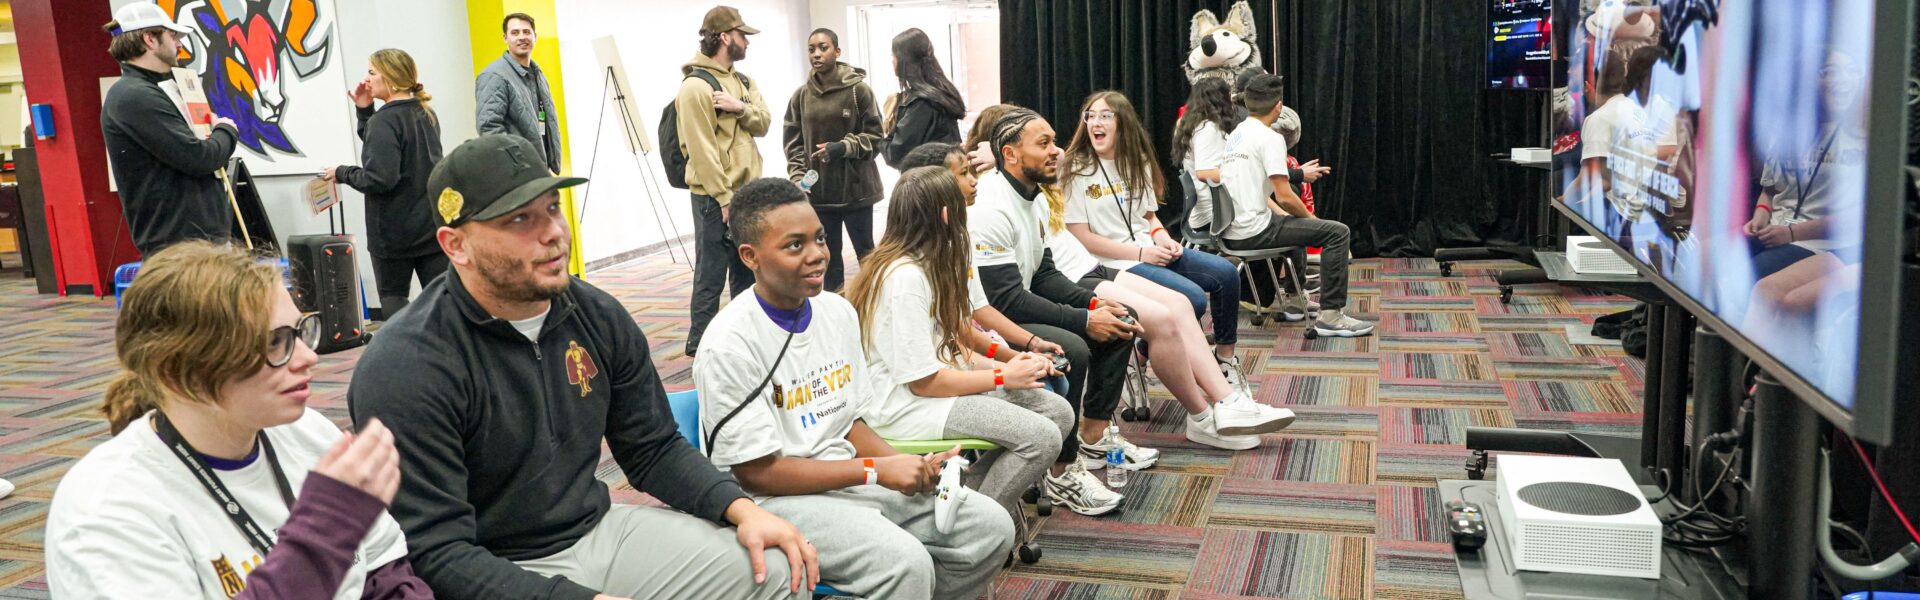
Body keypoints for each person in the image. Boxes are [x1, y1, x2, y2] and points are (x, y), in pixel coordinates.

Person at [349, 135, 814, 600]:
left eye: (552, 207)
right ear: (457, 246)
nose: (554, 231)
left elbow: (652, 448)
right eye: (519, 219)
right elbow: (436, 552)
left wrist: (739, 508)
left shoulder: (596, 314)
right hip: (489, 565)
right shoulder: (406, 365)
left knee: (776, 569)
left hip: (599, 529)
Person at [45, 241, 430, 598]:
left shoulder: (305, 432)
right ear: (178, 371)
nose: (308, 358)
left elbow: (385, 574)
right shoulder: (107, 512)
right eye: (273, 342)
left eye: (299, 332)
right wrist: (325, 531)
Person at [694, 178, 1013, 599]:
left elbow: (848, 423)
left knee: (991, 529)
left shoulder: (837, 312)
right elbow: (757, 472)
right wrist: (875, 470)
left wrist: (907, 466)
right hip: (771, 500)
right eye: (794, 246)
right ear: (750, 256)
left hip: (848, 477)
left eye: (820, 239)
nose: (817, 255)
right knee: (904, 564)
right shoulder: (729, 344)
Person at [844, 165, 1075, 532]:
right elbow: (923, 383)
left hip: (933, 392)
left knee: (1058, 413)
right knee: (1042, 436)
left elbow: (949, 348)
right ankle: (974, 529)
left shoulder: (925, 262)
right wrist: (1002, 375)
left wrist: (1013, 364)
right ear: (947, 214)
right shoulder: (905, 278)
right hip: (906, 406)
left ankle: (961, 503)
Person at [1062, 90, 1249, 386]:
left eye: (1105, 116)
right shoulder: (1075, 170)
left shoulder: (1137, 162)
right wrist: (1141, 254)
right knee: (1194, 299)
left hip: (1149, 250)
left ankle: (1225, 361)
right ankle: (1147, 353)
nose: (1096, 122)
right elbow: (1081, 237)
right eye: (1091, 116)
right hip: (1112, 261)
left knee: (1226, 273)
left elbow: (1148, 217)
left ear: (1122, 123)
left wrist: (1162, 237)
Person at [897, 143, 1075, 402]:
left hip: (959, 354)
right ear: (933, 184)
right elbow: (935, 361)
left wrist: (1028, 348)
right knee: (1043, 392)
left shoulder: (959, 236)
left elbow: (974, 311)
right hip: (934, 379)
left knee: (1056, 382)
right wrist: (1004, 370)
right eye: (962, 174)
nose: (973, 180)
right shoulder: (908, 272)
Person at [1218, 75, 1374, 337]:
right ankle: (1332, 316)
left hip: (1233, 230)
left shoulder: (1237, 133)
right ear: (1278, 107)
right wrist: (1313, 220)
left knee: (1293, 225)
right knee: (1337, 232)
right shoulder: (1270, 138)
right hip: (1253, 232)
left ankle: (1293, 301)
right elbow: (1285, 197)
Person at [99, 4, 241, 255]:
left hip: (197, 241)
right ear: (149, 39)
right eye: (172, 36)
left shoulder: (157, 89)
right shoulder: (133, 96)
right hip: (179, 247)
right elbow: (200, 157)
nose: (179, 45)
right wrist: (226, 131)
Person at [323, 49, 447, 319]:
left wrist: (342, 172)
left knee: (394, 303)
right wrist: (365, 109)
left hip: (394, 233)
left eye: (371, 72)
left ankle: (404, 359)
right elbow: (381, 146)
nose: (366, 80)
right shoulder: (426, 113)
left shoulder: (385, 120)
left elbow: (379, 178)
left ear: (390, 78)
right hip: (430, 227)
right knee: (443, 302)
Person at [680, 5, 774, 357]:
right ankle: (700, 346)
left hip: (748, 195)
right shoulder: (694, 87)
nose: (747, 42)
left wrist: (739, 107)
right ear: (724, 37)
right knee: (711, 274)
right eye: (742, 35)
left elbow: (763, 123)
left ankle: (743, 340)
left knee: (747, 271)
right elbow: (702, 150)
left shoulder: (744, 82)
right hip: (714, 198)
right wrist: (723, 198)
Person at [783, 28, 883, 292]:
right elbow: (792, 144)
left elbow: (876, 137)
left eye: (823, 47)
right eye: (811, 49)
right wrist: (797, 178)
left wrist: (842, 147)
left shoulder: (858, 91)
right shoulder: (800, 96)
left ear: (837, 52)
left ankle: (874, 307)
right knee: (828, 257)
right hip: (820, 193)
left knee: (866, 254)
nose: (816, 54)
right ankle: (833, 311)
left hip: (857, 190)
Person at [476, 13, 562, 174]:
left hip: (540, 168)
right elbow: (489, 129)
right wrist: (519, 165)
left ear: (535, 37)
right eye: (515, 33)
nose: (522, 37)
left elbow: (542, 118)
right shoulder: (494, 76)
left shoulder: (537, 74)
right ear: (505, 38)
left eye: (526, 32)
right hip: (518, 173)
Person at [879, 28, 965, 169]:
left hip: (931, 181)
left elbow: (895, 154)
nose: (892, 62)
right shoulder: (939, 92)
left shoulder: (921, 103)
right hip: (945, 177)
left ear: (903, 59)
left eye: (893, 56)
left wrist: (886, 134)